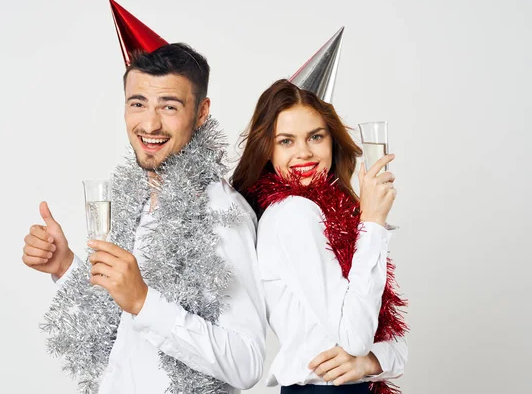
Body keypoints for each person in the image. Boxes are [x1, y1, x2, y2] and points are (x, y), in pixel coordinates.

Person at [21, 40, 267, 393]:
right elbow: (115, 322)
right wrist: (64, 265)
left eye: (169, 106)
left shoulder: (223, 214)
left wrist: (144, 302)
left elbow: (248, 363)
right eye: (138, 103)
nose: (150, 123)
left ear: (201, 112)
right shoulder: (134, 198)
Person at [231, 79, 408, 394]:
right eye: (286, 141)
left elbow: (394, 346)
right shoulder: (294, 214)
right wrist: (373, 222)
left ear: (332, 141)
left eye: (315, 136)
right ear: (267, 149)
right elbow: (356, 336)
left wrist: (370, 361)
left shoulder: (329, 214)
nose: (304, 153)